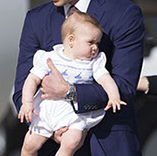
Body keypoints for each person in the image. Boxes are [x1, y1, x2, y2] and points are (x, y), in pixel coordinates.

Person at [13, 0, 145, 155]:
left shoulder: (123, 14)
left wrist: (70, 92)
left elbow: (124, 87)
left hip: (107, 143)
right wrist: (52, 127)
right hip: (53, 143)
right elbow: (21, 90)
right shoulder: (36, 20)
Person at [18, 11, 126, 156]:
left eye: (97, 43)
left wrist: (114, 97)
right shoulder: (51, 57)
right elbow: (32, 79)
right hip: (48, 110)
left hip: (75, 114)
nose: (95, 47)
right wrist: (27, 102)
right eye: (90, 42)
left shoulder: (93, 63)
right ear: (71, 40)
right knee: (29, 144)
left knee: (71, 143)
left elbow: (106, 80)